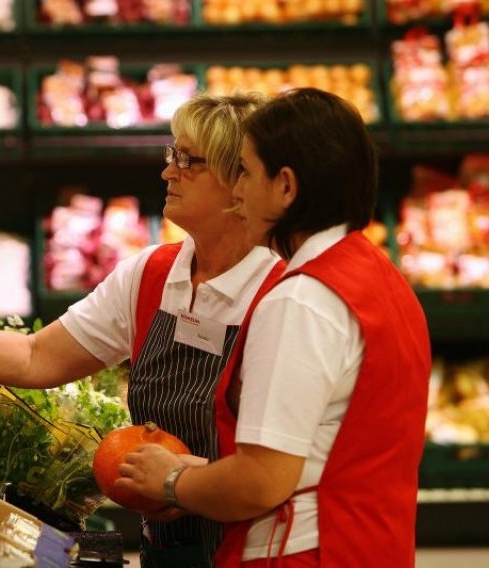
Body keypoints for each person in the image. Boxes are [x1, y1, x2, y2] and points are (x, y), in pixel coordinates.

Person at [0, 93, 284, 567]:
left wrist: (182, 483)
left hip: (257, 550)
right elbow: (35, 356)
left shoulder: (282, 294)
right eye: (170, 155)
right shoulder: (152, 274)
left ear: (242, 181)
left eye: (187, 160)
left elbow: (283, 469)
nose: (167, 171)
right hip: (171, 548)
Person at [114, 88, 431, 567]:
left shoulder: (299, 300)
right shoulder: (380, 276)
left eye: (244, 170)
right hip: (371, 543)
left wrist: (171, 482)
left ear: (285, 186)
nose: (235, 191)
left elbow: (260, 483)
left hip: (302, 551)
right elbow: (326, 452)